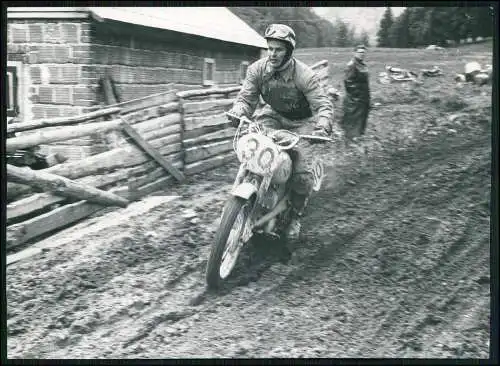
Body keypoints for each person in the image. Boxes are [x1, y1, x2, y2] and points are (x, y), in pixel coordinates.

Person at [227, 23, 335, 241]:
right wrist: (238, 112)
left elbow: (323, 105)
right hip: (272, 115)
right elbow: (246, 98)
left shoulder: (305, 75)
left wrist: (322, 125)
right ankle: (245, 199)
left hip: (302, 123)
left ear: (288, 52)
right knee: (253, 150)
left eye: (278, 50)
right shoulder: (258, 70)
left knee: (301, 173)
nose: (273, 54)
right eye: (270, 49)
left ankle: (295, 215)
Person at [341, 44, 371, 143]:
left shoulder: (362, 65)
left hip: (363, 98)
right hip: (354, 100)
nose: (362, 54)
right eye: (360, 52)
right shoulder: (351, 65)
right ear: (355, 53)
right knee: (353, 120)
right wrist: (357, 94)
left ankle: (358, 138)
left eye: (363, 53)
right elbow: (348, 82)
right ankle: (351, 141)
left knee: (362, 119)